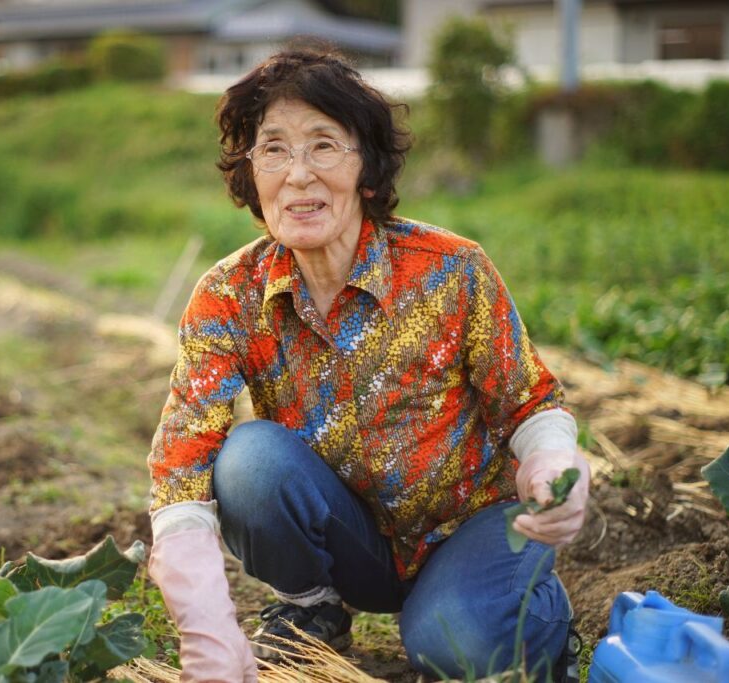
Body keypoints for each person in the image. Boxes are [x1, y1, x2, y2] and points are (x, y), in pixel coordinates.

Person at [146, 47, 590, 683]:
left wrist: (551, 462)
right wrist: (205, 626)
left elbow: (530, 402)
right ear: (252, 176)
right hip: (357, 542)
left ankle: (530, 615)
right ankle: (310, 608)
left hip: (473, 524)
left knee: (452, 644)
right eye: (273, 150)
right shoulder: (229, 296)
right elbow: (182, 464)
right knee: (248, 459)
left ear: (368, 171)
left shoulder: (449, 269)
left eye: (324, 145)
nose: (297, 175)